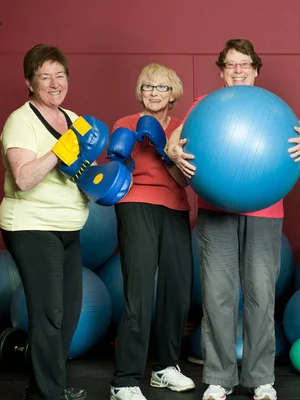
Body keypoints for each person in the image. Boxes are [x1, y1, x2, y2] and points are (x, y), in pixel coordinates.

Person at [167, 39, 300, 400]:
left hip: (264, 213)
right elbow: (178, 138)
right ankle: (219, 377)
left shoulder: (272, 109)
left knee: (261, 295)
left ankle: (260, 377)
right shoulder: (204, 106)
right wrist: (173, 146)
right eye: (231, 64)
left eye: (244, 63)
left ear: (255, 69)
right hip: (216, 211)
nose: (238, 69)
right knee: (218, 296)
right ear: (221, 71)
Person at [0, 44, 89, 400]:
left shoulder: (73, 118)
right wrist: (58, 152)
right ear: (29, 82)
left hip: (69, 226)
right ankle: (49, 395)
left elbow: (80, 172)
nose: (54, 83)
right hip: (31, 226)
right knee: (49, 312)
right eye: (44, 77)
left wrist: (109, 174)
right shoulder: (20, 120)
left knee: (69, 311)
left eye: (60, 75)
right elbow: (23, 178)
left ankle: (43, 386)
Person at [107, 64, 194, 400]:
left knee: (178, 288)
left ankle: (165, 367)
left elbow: (185, 179)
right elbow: (117, 171)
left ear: (173, 93)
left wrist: (164, 149)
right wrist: (123, 155)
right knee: (139, 290)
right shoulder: (125, 124)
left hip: (174, 207)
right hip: (135, 203)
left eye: (161, 87)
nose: (154, 93)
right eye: (147, 87)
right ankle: (125, 380)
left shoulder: (183, 130)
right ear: (140, 91)